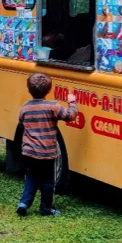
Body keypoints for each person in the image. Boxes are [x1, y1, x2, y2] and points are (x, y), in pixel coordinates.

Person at [15, 73, 77, 217]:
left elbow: (21, 125)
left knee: (31, 177)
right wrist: (72, 103)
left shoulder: (25, 108)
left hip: (29, 153)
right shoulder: (53, 107)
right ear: (49, 90)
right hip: (47, 153)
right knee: (48, 182)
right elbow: (70, 116)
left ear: (28, 89)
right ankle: (46, 208)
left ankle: (24, 203)